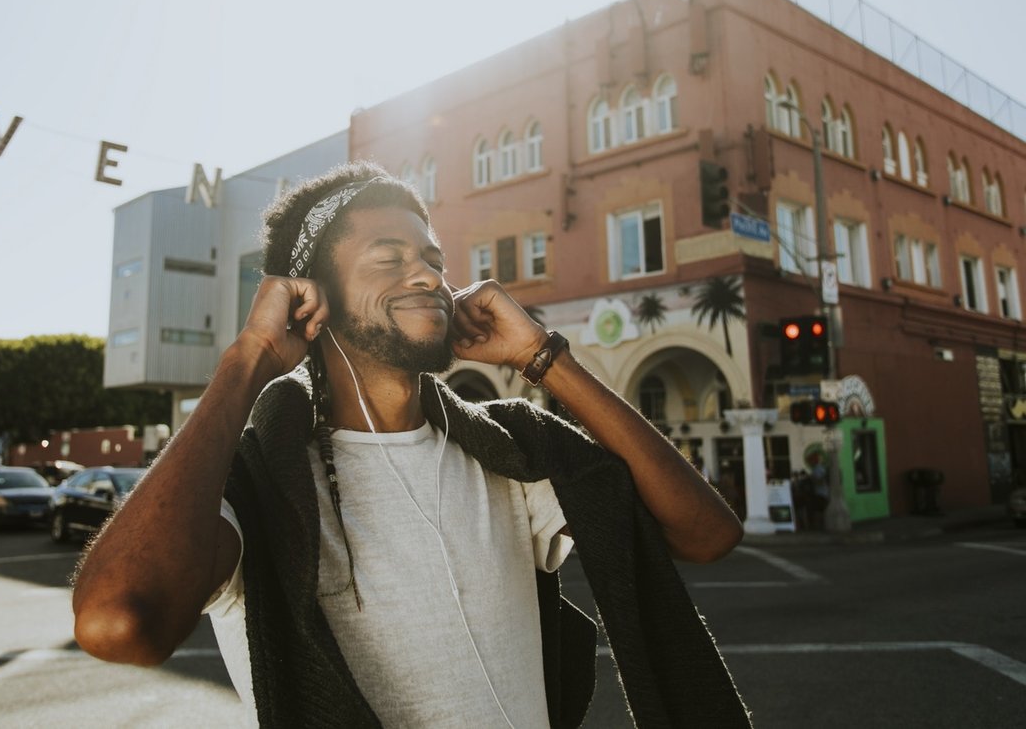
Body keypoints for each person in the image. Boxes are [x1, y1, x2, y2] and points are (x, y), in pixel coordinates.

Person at [72, 163, 751, 728]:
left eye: (433, 259)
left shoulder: (510, 452)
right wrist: (246, 360)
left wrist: (544, 357)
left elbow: (707, 533)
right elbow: (117, 622)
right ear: (310, 295)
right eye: (389, 258)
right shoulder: (257, 486)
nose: (428, 276)